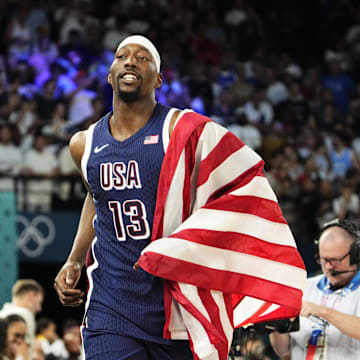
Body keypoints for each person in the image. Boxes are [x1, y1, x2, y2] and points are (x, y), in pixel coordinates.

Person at [54, 34, 306, 360]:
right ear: (110, 73)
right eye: (122, 56)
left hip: (176, 303)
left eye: (143, 57)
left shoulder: (182, 130)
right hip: (110, 304)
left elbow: (242, 182)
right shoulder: (83, 144)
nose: (130, 61)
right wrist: (75, 257)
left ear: (158, 79)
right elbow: (95, 195)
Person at [270, 218, 360, 359]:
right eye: (324, 259)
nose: (329, 266)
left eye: (336, 260)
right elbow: (283, 351)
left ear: (356, 255)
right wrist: (277, 323)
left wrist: (321, 311)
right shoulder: (303, 286)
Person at [0, 279, 44, 359]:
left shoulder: (2, 313)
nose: (39, 308)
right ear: (31, 296)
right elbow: (23, 354)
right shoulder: (25, 314)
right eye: (39, 303)